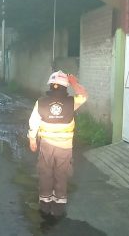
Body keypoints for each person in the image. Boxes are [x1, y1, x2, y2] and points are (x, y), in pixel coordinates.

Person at [27, 70, 88, 220]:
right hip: (64, 147)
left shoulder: (40, 102)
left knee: (45, 174)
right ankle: (58, 209)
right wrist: (74, 82)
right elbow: (84, 95)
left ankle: (45, 207)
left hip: (46, 146)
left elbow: (33, 121)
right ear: (65, 86)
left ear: (50, 84)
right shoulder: (71, 102)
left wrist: (32, 139)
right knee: (61, 176)